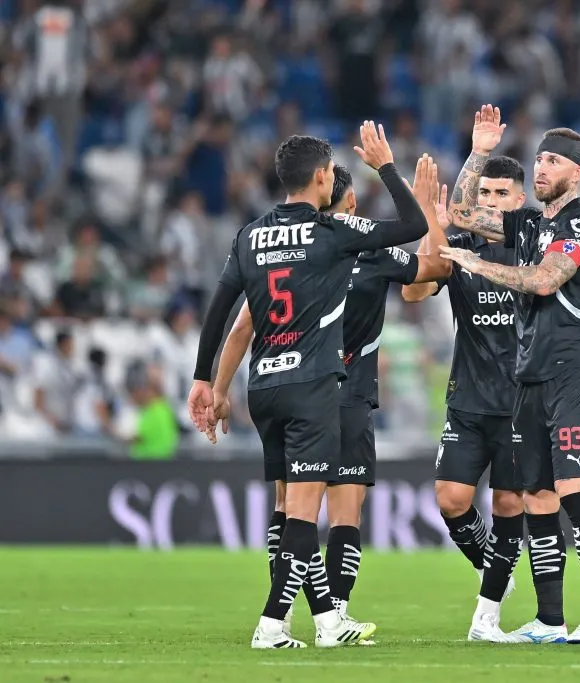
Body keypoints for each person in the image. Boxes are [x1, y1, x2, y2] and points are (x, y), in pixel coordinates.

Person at [187, 124, 429, 649]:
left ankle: (326, 621)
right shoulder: (331, 233)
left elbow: (222, 313)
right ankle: (271, 625)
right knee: (302, 514)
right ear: (323, 179)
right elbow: (413, 224)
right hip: (313, 383)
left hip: (265, 387)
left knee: (286, 509)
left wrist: (203, 379)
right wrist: (386, 166)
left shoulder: (250, 235)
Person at [441, 105, 580, 643]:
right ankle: (549, 619)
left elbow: (544, 282)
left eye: (554, 161)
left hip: (575, 371)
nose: (541, 168)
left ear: (576, 172)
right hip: (532, 374)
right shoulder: (534, 224)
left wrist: (477, 264)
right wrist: (479, 151)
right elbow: (461, 213)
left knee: (572, 487)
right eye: (539, 159)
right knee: (538, 495)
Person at [401, 154, 526, 641]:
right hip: (469, 399)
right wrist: (431, 219)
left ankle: (486, 617)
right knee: (451, 499)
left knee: (510, 505)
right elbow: (414, 293)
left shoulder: (532, 248)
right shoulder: (459, 246)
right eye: (486, 194)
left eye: (502, 195)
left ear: (519, 200)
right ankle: (492, 567)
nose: (492, 202)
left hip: (519, 402)